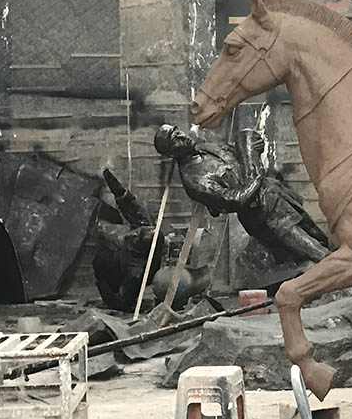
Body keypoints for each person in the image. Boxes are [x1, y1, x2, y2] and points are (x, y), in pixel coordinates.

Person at [153, 124, 330, 264]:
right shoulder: (194, 179)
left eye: (178, 131)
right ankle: (337, 283)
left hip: (276, 195)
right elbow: (234, 201)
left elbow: (239, 155)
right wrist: (256, 178)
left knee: (319, 238)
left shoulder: (205, 148)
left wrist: (254, 147)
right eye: (175, 139)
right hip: (263, 216)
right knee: (316, 252)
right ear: (171, 153)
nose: (182, 136)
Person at [93, 168, 164, 311]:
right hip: (119, 262)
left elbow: (121, 303)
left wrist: (102, 287)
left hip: (117, 273)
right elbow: (128, 203)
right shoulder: (144, 229)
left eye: (136, 236)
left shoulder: (135, 272)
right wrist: (113, 183)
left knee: (102, 260)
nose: (133, 234)